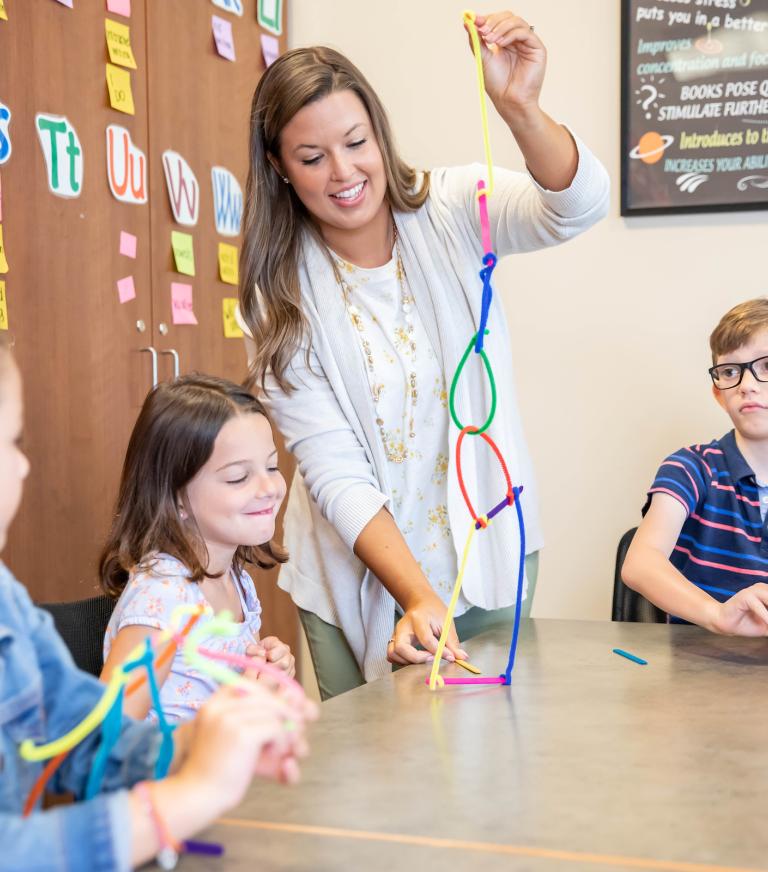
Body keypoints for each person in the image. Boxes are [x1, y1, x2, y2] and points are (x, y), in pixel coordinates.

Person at [238, 11, 610, 699]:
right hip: (353, 575)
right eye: (312, 158)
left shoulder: (448, 208)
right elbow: (335, 472)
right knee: (374, 782)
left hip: (486, 551)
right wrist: (417, 595)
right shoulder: (276, 298)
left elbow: (578, 206)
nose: (344, 172)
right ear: (279, 168)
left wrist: (519, 107)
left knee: (496, 763)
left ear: (380, 133)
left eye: (357, 142)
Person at [0, 337, 315, 870]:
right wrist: (191, 790)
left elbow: (90, 736)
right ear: (175, 496)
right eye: (10, 444)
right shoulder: (162, 597)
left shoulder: (9, 601)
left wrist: (209, 739)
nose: (25, 467)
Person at [101, 374, 296, 723]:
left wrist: (265, 666)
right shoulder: (162, 601)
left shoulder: (230, 576)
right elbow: (104, 741)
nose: (269, 487)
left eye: (271, 466)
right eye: (239, 477)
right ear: (176, 497)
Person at [623, 298, 768, 634]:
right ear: (719, 393)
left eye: (766, 366)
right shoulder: (691, 467)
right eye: (730, 371)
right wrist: (717, 615)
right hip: (700, 672)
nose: (746, 384)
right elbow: (640, 563)